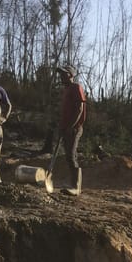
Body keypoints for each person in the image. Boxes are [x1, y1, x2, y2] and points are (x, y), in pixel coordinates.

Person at [56, 65, 87, 194]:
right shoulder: (66, 89)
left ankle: (76, 187)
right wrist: (62, 127)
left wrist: (70, 126)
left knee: (71, 155)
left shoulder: (76, 87)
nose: (61, 76)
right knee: (69, 156)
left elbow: (79, 109)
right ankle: (73, 184)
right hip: (66, 128)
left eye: (64, 74)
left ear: (71, 75)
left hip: (74, 128)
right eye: (61, 74)